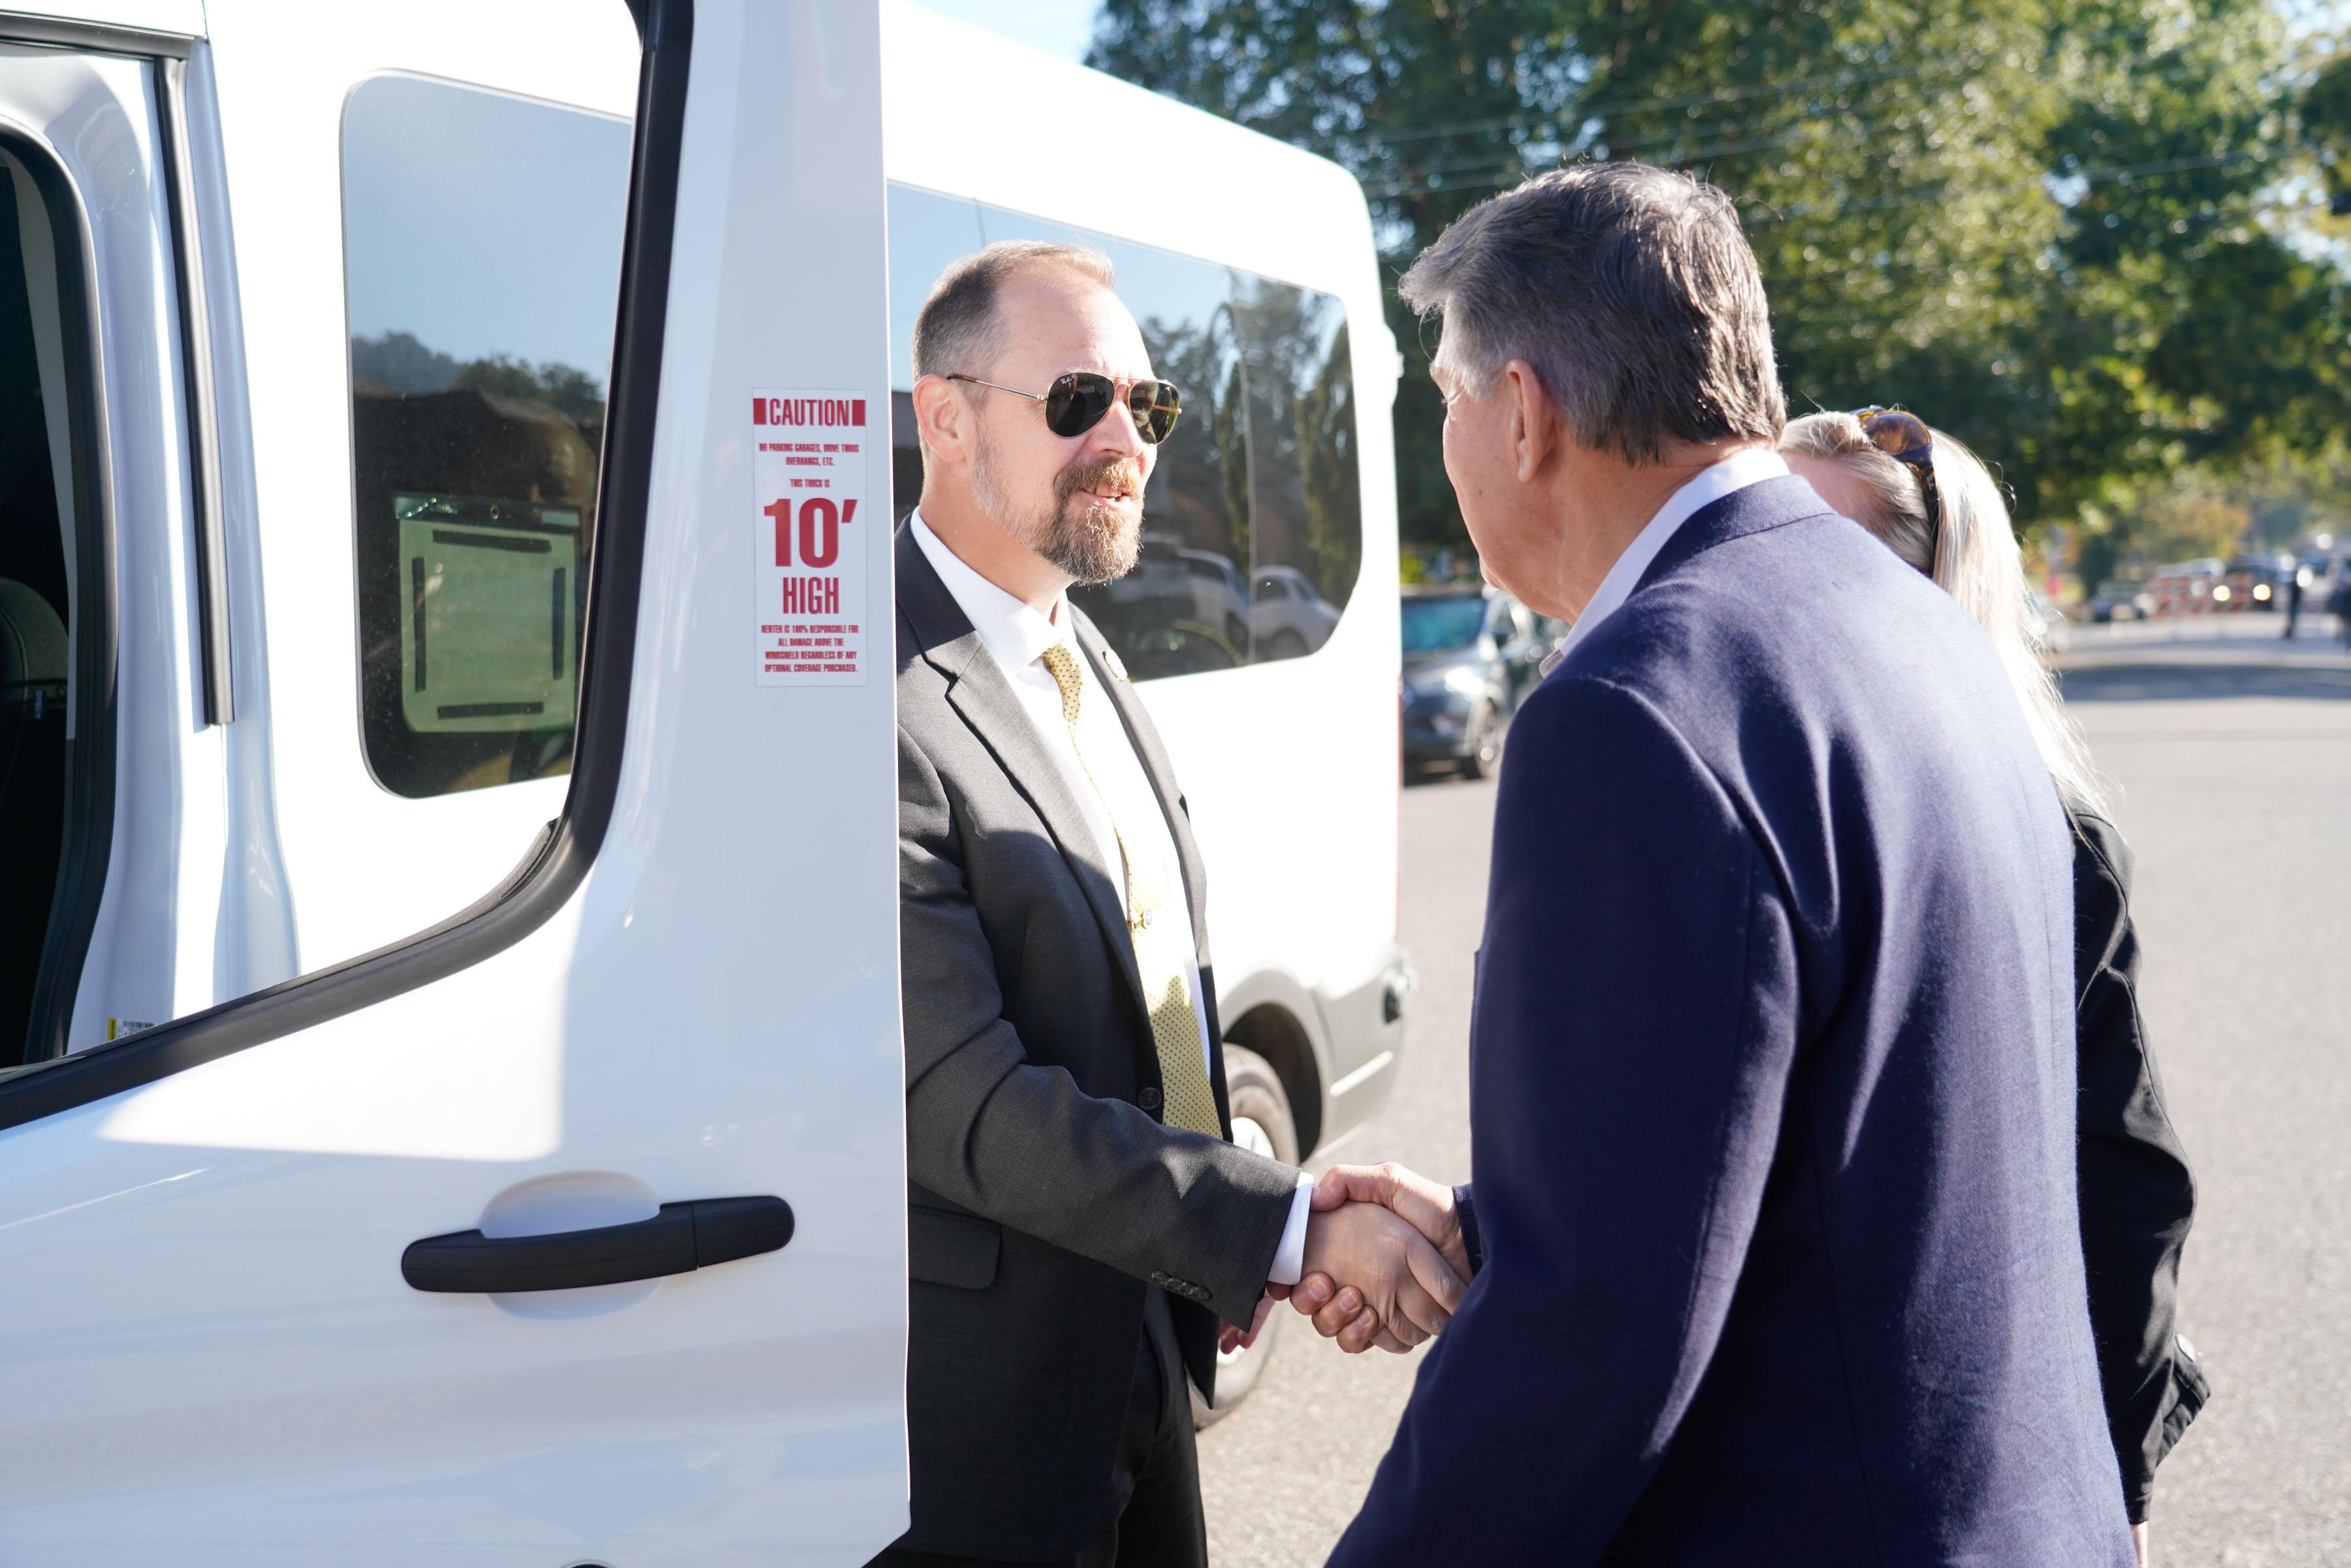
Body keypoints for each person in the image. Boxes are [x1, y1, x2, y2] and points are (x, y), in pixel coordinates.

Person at [1289, 163, 2134, 1565]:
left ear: (1522, 412)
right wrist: (1520, 1218)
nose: (1442, 443)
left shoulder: (1634, 705)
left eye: (1441, 400)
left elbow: (1597, 1336)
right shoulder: (1909, 614)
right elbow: (1839, 1132)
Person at [878, 239, 1465, 1568]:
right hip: (990, 1427)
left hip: (1150, 1358)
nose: (1128, 438)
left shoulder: (1080, 644)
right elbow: (961, 1101)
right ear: (945, 416)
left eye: (1152, 405)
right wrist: (1285, 1221)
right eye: (1081, 399)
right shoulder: (873, 695)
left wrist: (1275, 1208)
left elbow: (1156, 1016)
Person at [1778, 408, 2208, 1564]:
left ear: (1937, 593)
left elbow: (2122, 1173)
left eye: (1831, 557)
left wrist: (2121, 1487)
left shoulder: (2052, 837)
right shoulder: (1763, 809)